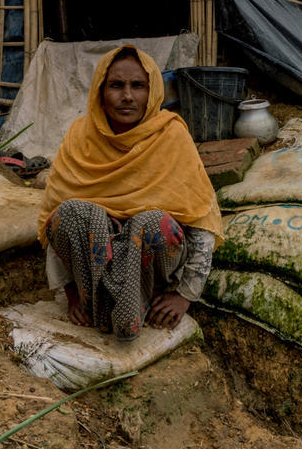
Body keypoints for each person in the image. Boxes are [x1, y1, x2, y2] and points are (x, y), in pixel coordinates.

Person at [37, 46, 223, 341]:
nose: (127, 97)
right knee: (72, 213)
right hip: (93, 266)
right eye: (116, 85)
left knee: (152, 224)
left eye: (138, 86)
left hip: (155, 270)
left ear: (152, 92)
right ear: (100, 90)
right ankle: (96, 301)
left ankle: (136, 303)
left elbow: (201, 221)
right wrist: (71, 293)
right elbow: (52, 218)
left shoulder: (171, 135)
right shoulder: (80, 136)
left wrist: (186, 296)